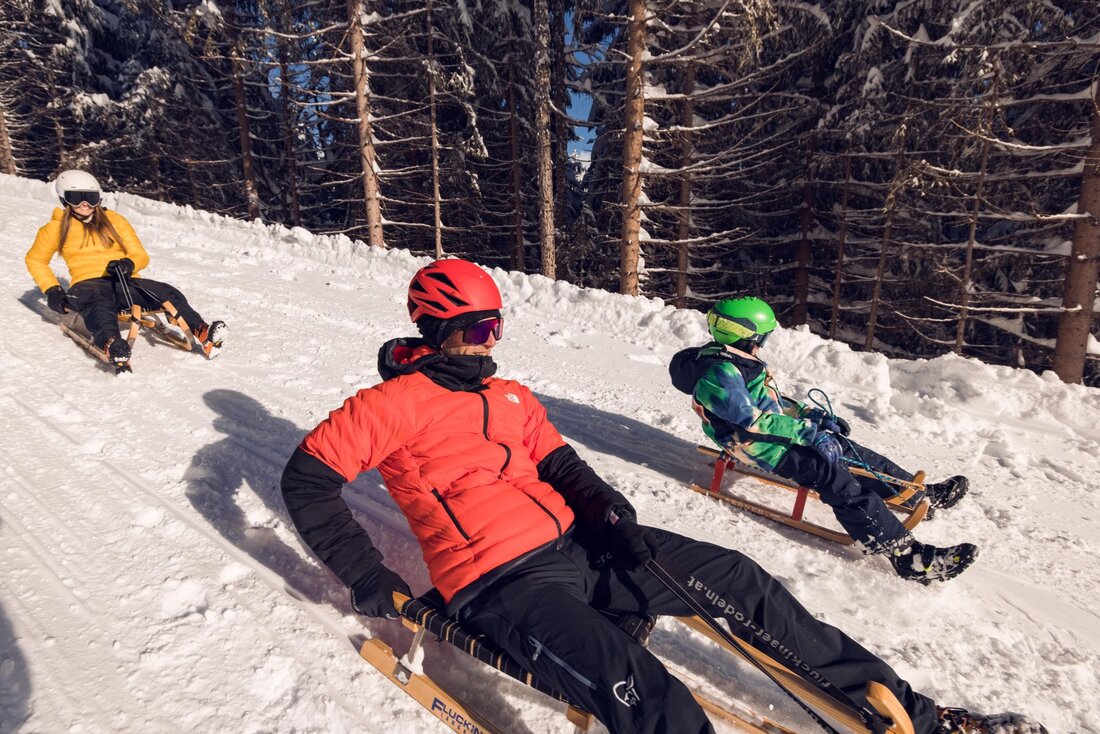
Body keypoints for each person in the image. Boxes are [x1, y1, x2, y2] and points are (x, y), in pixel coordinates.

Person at [280, 258, 1036, 734]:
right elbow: (307, 479)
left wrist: (610, 512)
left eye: (495, 324)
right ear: (436, 325)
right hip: (498, 585)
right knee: (655, 698)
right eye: (475, 326)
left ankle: (927, 718)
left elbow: (563, 463)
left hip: (582, 549)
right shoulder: (390, 405)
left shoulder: (510, 396)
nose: (488, 340)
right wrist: (369, 576)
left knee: (740, 577)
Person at [669, 297, 977, 584]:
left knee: (844, 447)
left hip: (772, 436)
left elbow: (770, 401)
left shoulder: (737, 361)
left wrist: (811, 416)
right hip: (757, 446)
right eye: (764, 336)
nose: (765, 343)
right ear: (750, 336)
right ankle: (908, 557)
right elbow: (754, 419)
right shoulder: (720, 374)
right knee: (831, 475)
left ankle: (914, 493)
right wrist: (806, 432)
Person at [24, 170, 227, 368]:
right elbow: (36, 260)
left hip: (123, 280)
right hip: (86, 285)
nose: (85, 204)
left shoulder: (115, 221)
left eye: (91, 197)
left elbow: (140, 254)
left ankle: (202, 331)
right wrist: (52, 290)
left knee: (167, 292)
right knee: (99, 305)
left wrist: (129, 264)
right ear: (64, 199)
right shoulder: (54, 229)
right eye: (77, 197)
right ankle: (114, 344)